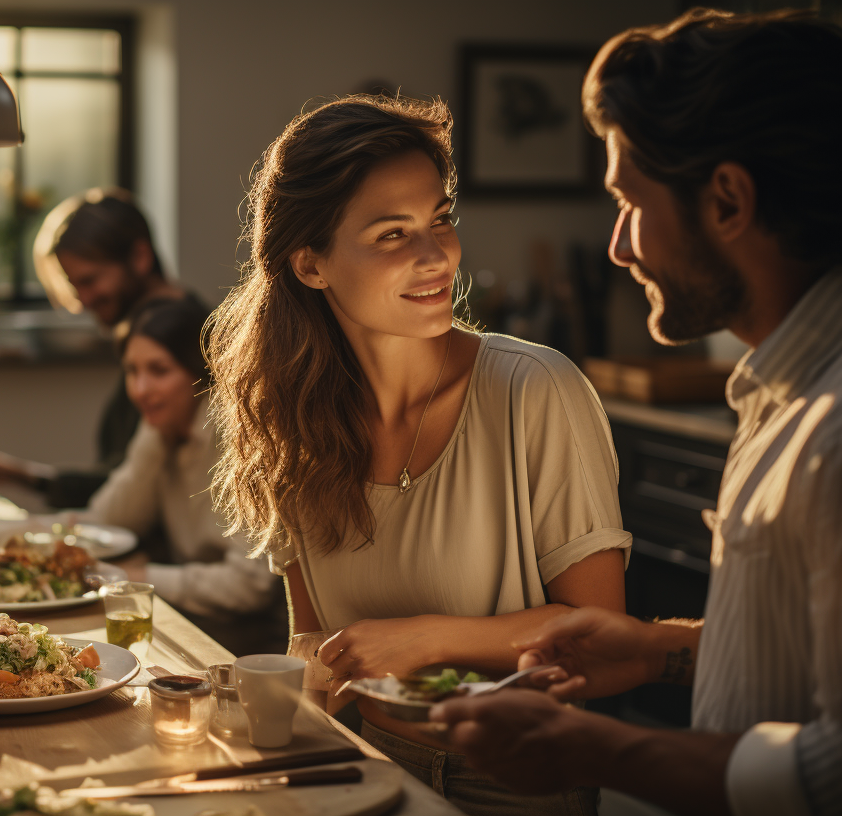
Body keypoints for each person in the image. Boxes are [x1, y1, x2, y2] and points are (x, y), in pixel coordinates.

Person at [432, 9, 842, 816]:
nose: (616, 244)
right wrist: (659, 650)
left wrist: (593, 747)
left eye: (629, 201)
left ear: (727, 201)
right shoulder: (812, 370)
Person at [207, 95, 631, 816]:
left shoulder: (535, 391)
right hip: (363, 766)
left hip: (517, 781)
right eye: (392, 234)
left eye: (440, 219)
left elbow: (609, 643)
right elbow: (310, 640)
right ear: (310, 265)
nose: (437, 256)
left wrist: (425, 641)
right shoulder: (292, 420)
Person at [80, 297, 283, 654]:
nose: (141, 390)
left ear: (201, 373)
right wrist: (151, 441)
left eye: (159, 370)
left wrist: (137, 577)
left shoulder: (243, 440)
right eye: (132, 371)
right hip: (191, 623)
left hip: (248, 645)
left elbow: (249, 586)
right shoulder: (165, 431)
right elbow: (107, 524)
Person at [39, 187, 188, 472]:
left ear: (140, 257)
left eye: (90, 280)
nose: (83, 300)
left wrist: (26, 476)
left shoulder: (175, 335)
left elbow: (134, 478)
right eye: (74, 287)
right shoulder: (142, 333)